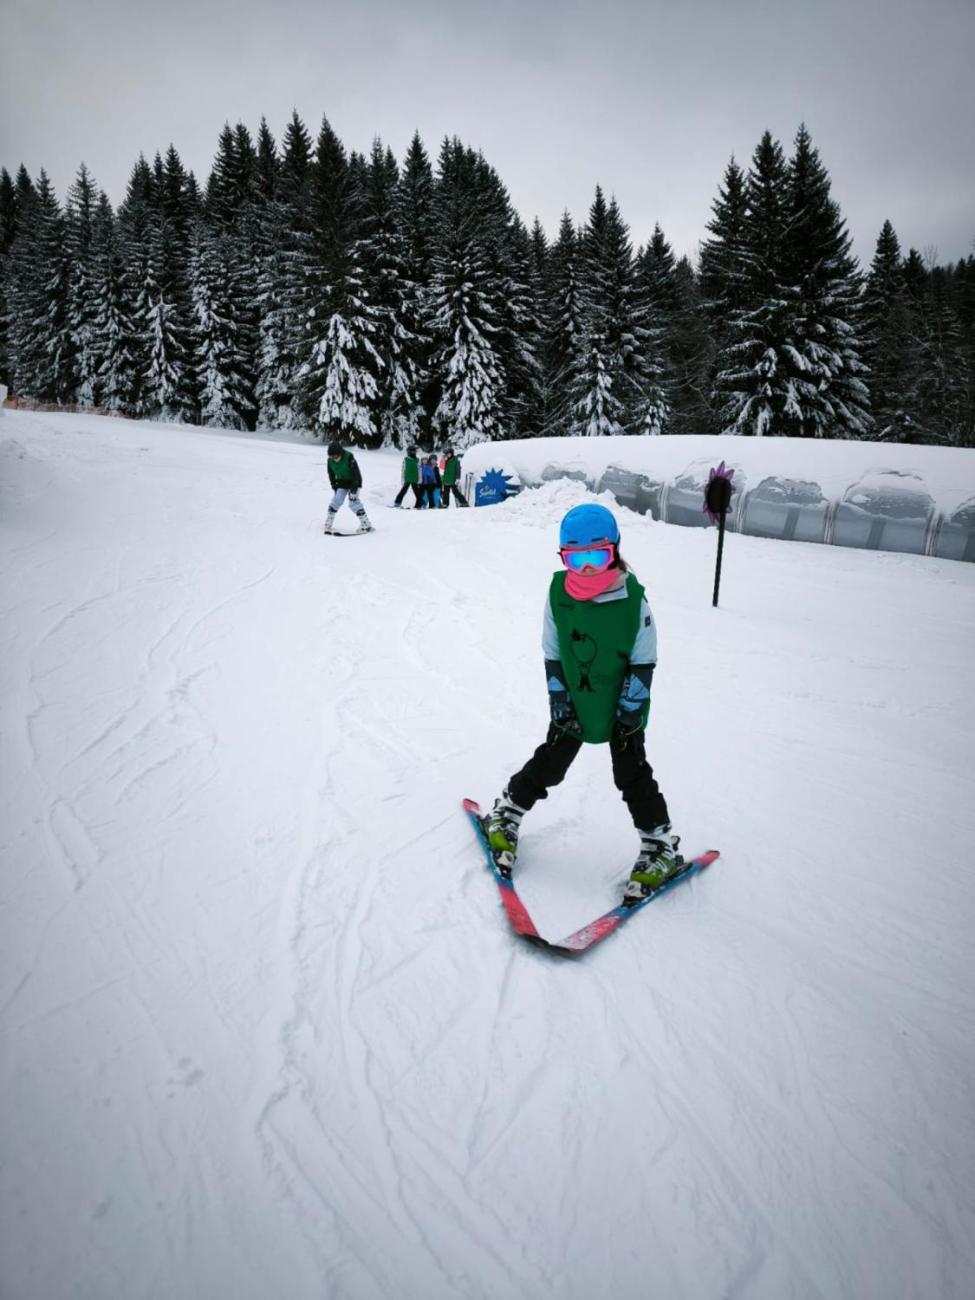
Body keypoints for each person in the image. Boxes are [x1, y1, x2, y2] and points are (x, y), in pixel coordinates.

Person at [483, 502, 680, 906]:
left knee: (631, 774)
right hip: (575, 700)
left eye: (597, 556)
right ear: (564, 557)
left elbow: (645, 657)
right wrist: (559, 697)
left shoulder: (633, 600)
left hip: (622, 705)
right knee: (551, 762)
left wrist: (630, 708)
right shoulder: (558, 594)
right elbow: (552, 651)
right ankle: (507, 811)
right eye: (576, 558)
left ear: (615, 551)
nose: (587, 568)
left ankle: (661, 845)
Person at [324, 441, 374, 533]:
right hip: (342, 483)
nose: (334, 459)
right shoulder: (330, 461)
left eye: (335, 457)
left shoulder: (349, 457)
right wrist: (334, 485)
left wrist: (354, 489)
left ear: (340, 453)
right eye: (331, 457)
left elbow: (356, 474)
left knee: (353, 503)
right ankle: (328, 523)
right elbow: (331, 474)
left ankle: (366, 525)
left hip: (354, 482)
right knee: (336, 501)